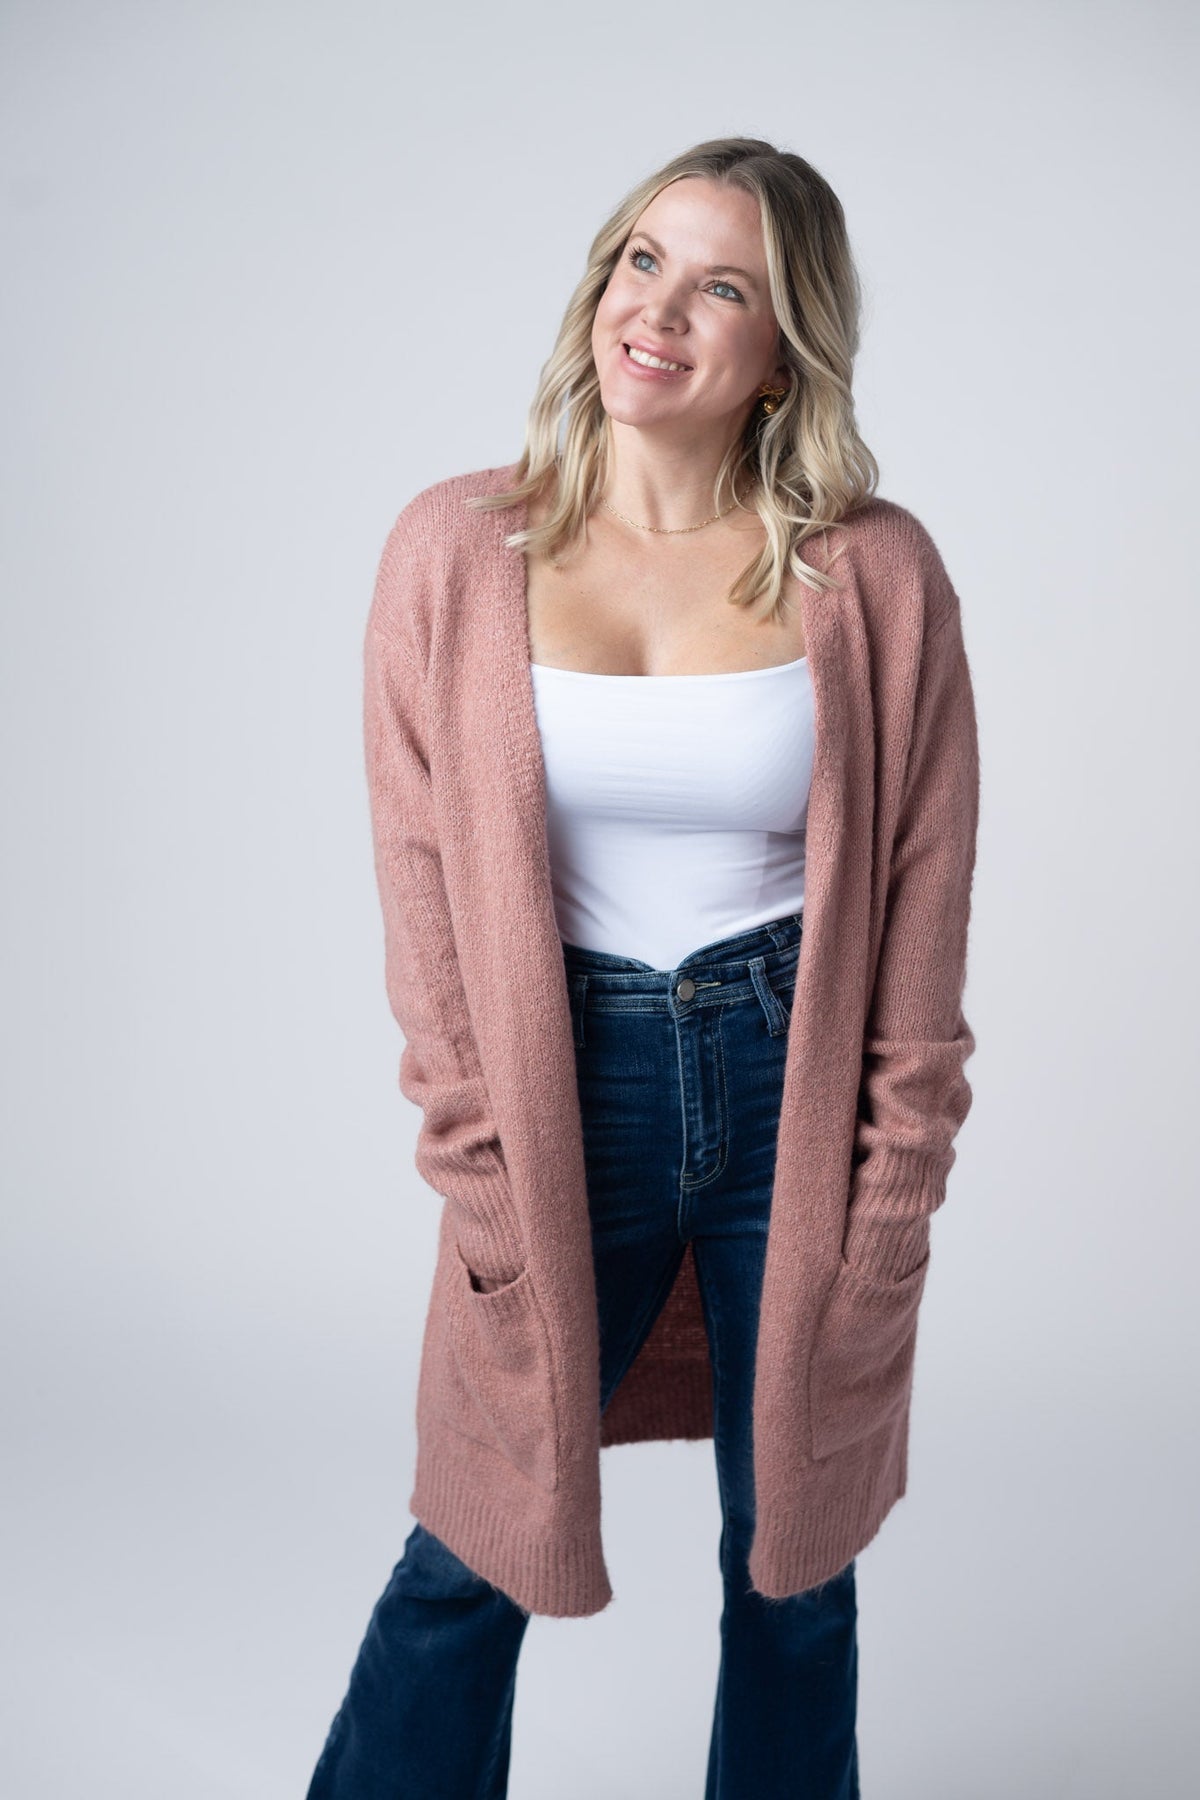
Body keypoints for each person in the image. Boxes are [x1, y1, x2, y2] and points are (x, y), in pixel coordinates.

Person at [306, 135, 980, 1799]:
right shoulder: (456, 548)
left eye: (720, 287)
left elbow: (922, 894)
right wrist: (474, 1155)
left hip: (790, 1081)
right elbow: (421, 892)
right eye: (641, 262)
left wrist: (895, 1189)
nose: (658, 312)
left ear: (784, 353)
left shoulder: (873, 574)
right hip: (568, 1087)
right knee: (472, 1548)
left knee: (797, 1569)